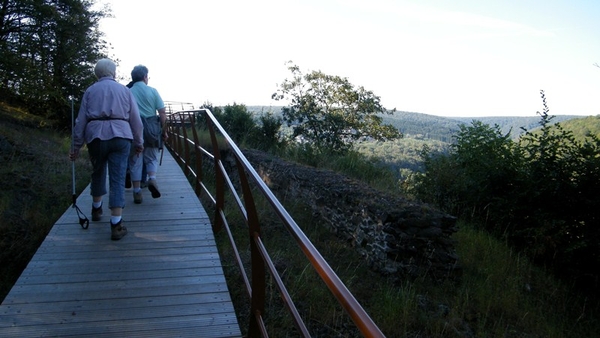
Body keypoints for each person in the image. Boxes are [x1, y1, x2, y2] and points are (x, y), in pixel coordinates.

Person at [70, 58, 144, 240]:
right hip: (121, 136)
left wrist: (76, 146)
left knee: (98, 172)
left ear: (97, 74)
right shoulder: (124, 91)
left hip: (95, 136)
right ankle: (116, 225)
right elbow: (136, 120)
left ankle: (96, 210)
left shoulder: (90, 91)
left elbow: (80, 121)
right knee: (117, 178)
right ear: (114, 73)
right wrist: (139, 143)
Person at [127, 65, 167, 203]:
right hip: (152, 128)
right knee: (151, 157)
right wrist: (164, 131)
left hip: (133, 128)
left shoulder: (128, 92)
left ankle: (137, 192)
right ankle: (152, 178)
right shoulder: (153, 91)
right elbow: (162, 112)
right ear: (145, 77)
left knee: (135, 160)